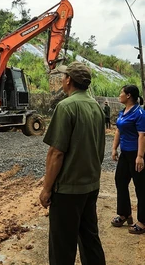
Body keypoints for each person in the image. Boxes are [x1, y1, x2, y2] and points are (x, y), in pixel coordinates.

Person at [39, 61, 106, 265]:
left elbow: (56, 153)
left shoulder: (66, 107)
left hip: (67, 190)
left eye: (64, 76)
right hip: (90, 186)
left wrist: (46, 189)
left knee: (62, 247)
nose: (62, 79)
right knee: (89, 239)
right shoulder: (96, 107)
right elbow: (99, 149)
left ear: (68, 80)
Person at [111, 85, 145, 234]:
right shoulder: (123, 112)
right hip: (125, 154)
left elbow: (142, 136)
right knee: (120, 180)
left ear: (129, 95)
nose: (119, 95)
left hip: (136, 155)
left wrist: (140, 156)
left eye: (121, 93)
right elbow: (118, 130)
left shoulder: (140, 113)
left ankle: (143, 221)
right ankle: (125, 214)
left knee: (141, 187)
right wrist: (114, 148)